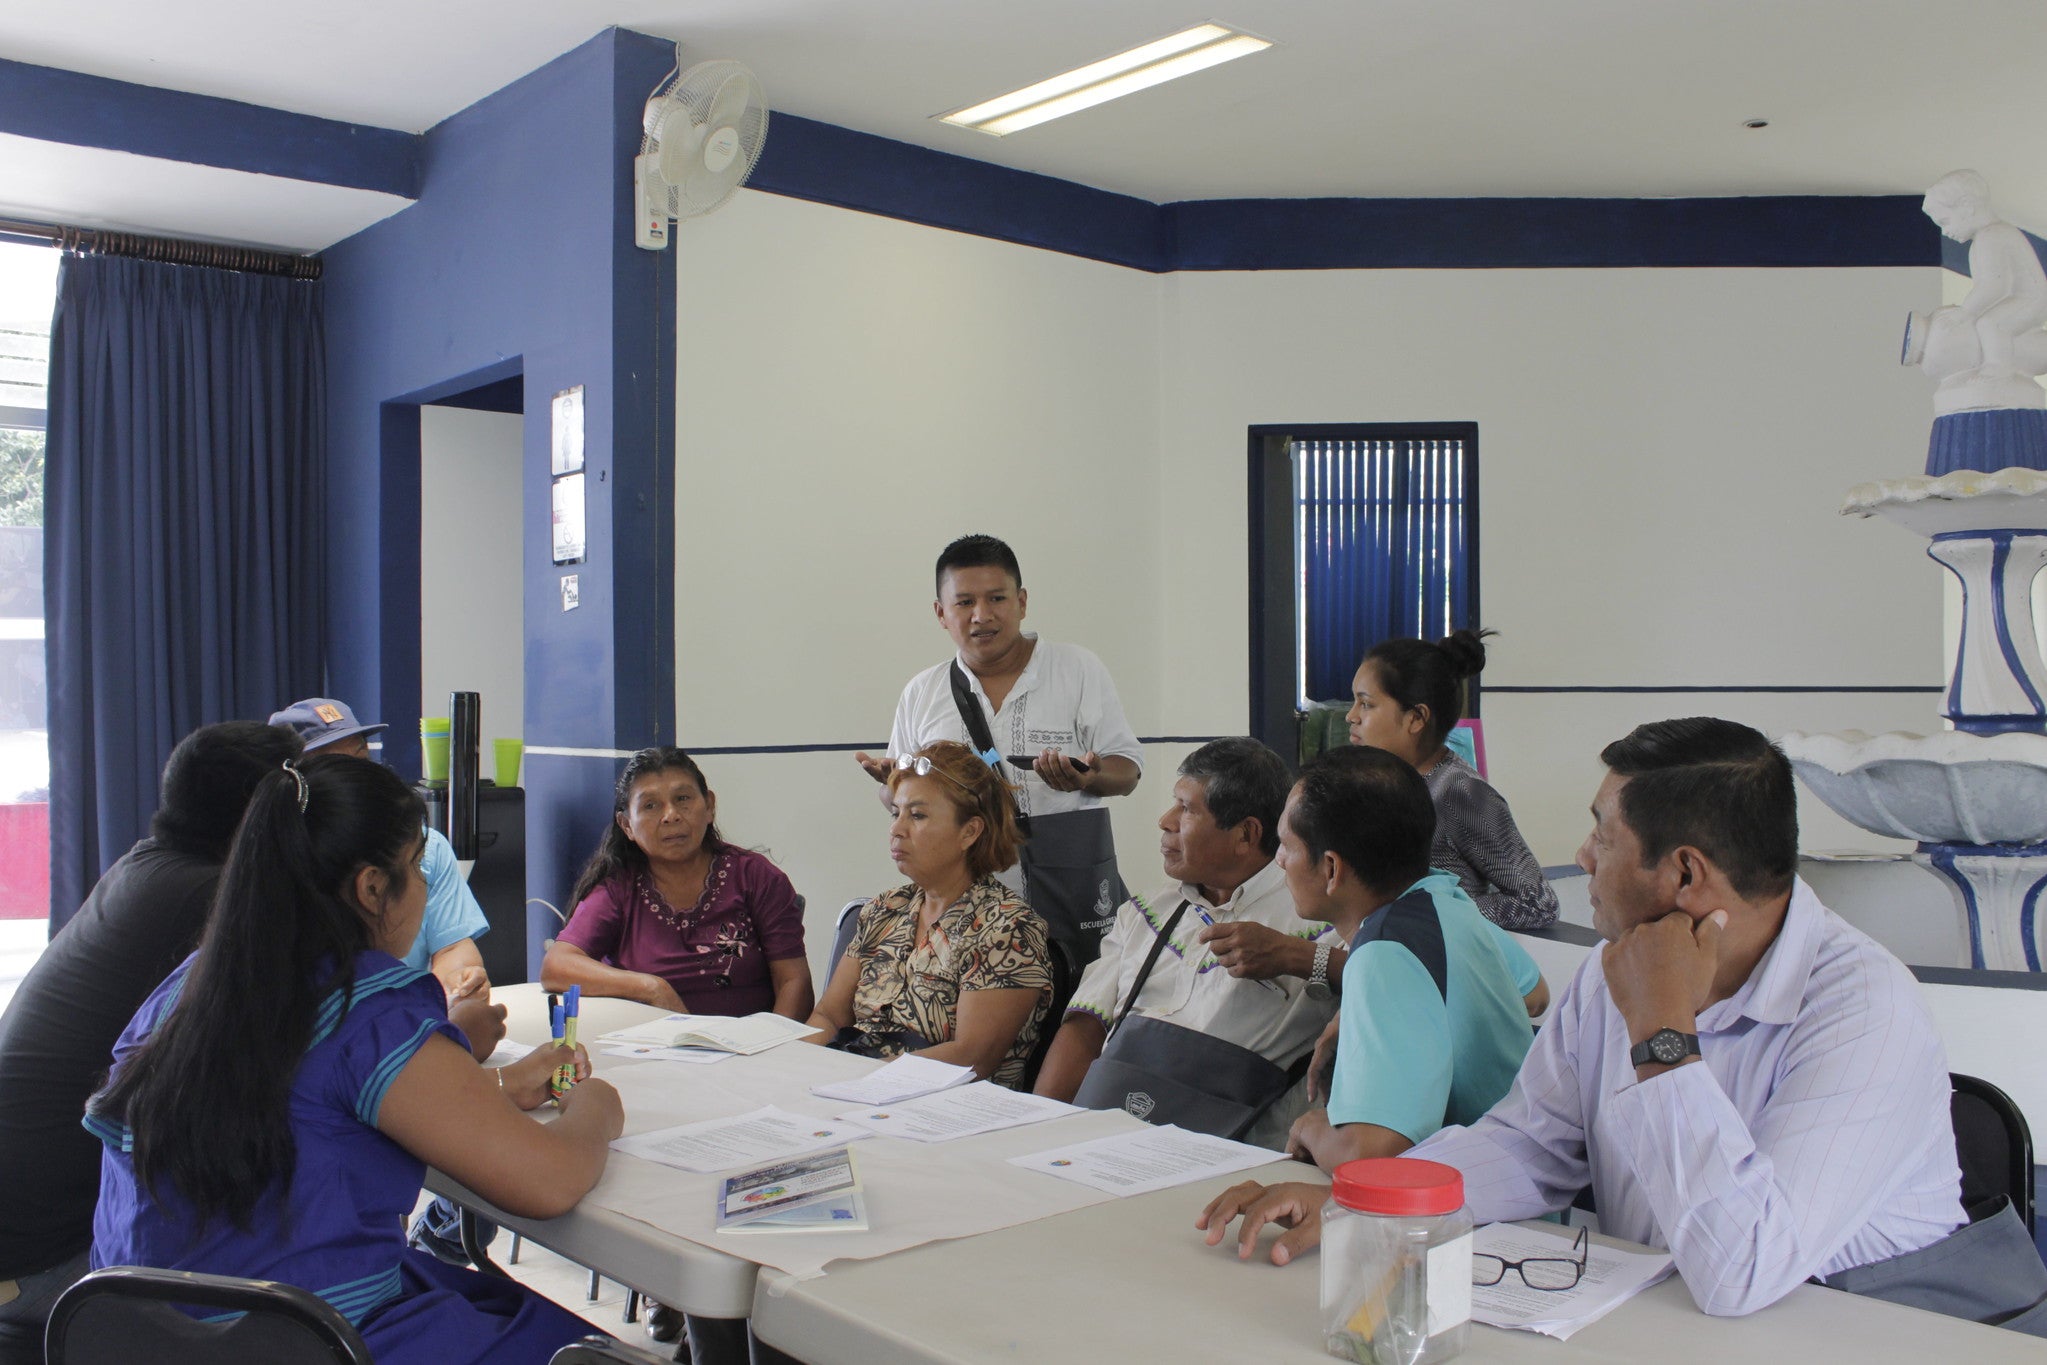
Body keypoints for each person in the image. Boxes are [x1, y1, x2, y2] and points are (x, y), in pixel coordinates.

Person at [1199, 721, 2047, 1338]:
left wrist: (1662, 1033)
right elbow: (1530, 1143)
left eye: (1601, 835)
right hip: (1666, 1325)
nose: (1581, 855)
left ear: (1683, 873)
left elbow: (1742, 1267)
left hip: (1860, 1330)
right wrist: (1368, 1198)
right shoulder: (1617, 972)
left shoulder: (1863, 1008)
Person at [85, 754, 624, 1364]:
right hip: (301, 1338)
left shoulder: (192, 987)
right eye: (416, 867)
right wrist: (595, 1108)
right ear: (371, 887)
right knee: (582, 1348)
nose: (424, 887)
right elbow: (549, 1182)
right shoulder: (368, 1005)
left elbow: (298, 1097)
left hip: (136, 1335)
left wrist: (475, 1071)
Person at [0, 722, 299, 1360]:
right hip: (45, 1265)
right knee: (299, 1260)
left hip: (18, 1233)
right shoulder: (211, 903)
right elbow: (313, 1061)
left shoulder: (144, 869)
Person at [853, 534, 1144, 967]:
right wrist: (893, 783)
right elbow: (896, 799)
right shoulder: (923, 692)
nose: (981, 615)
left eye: (996, 598)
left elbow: (1129, 770)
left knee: (1080, 997)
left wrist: (1089, 777)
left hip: (1069, 892)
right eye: (964, 602)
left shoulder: (1077, 669)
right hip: (964, 905)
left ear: (1022, 602)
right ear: (941, 613)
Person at [1033, 738, 1342, 1143]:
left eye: (1187, 809)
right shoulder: (1145, 912)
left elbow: (1389, 984)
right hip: (1111, 1129)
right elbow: (1086, 1027)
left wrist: (1298, 956)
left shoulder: (1316, 919)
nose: (1165, 821)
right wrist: (1039, 1130)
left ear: (1246, 834)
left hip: (1234, 1145)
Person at [809, 741, 1052, 1087]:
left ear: (969, 831)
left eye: (917, 815)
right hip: (854, 1088)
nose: (896, 829)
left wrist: (859, 1079)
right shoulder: (883, 910)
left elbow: (971, 1057)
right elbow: (829, 1016)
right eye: (896, 813)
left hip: (944, 1105)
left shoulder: (1008, 927)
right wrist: (795, 1067)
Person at [271, 697, 501, 1052]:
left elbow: (454, 946)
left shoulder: (427, 846)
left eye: (361, 759)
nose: (357, 778)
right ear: (371, 888)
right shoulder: (283, 868)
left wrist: (458, 988)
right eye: (334, 767)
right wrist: (452, 1040)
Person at [543, 748, 813, 1020]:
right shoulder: (619, 888)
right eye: (650, 805)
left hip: (749, 1041)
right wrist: (651, 988)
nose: (671, 815)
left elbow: (794, 982)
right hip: (649, 1042)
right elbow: (557, 965)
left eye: (682, 798)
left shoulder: (754, 876)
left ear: (709, 806)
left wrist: (777, 1043)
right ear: (626, 825)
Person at [1345, 631, 1558, 931]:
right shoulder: (1383, 785)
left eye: (1366, 704)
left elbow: (1537, 903)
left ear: (1416, 718)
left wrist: (1434, 912)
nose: (1351, 716)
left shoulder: (1460, 793)